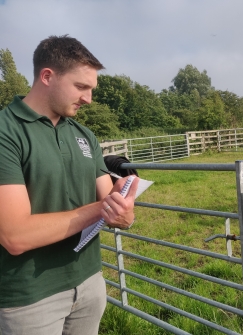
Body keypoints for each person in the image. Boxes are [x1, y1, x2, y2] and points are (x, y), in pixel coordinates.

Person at [0, 35, 139, 335]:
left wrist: (124, 213)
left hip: (89, 283)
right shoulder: (5, 133)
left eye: (92, 89)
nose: (88, 98)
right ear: (47, 76)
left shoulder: (84, 135)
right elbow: (14, 235)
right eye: (81, 87)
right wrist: (104, 207)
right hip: (30, 299)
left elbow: (110, 199)